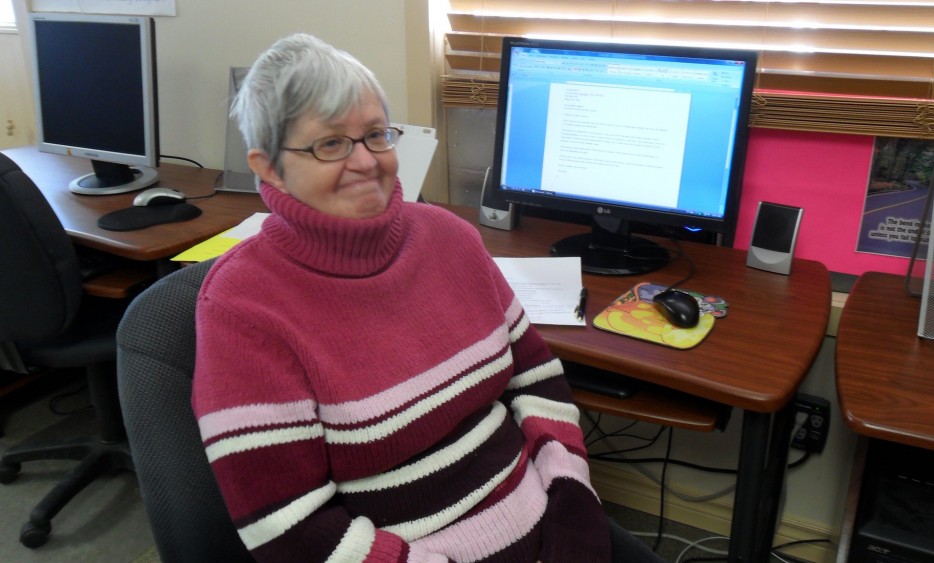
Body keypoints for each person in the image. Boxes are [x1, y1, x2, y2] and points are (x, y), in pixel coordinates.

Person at [192, 33, 662, 563]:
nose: (367, 162)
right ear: (269, 167)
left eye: (376, 135)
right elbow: (290, 530)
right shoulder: (241, 307)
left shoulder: (448, 236)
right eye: (330, 143)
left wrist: (572, 498)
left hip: (555, 524)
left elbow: (537, 378)